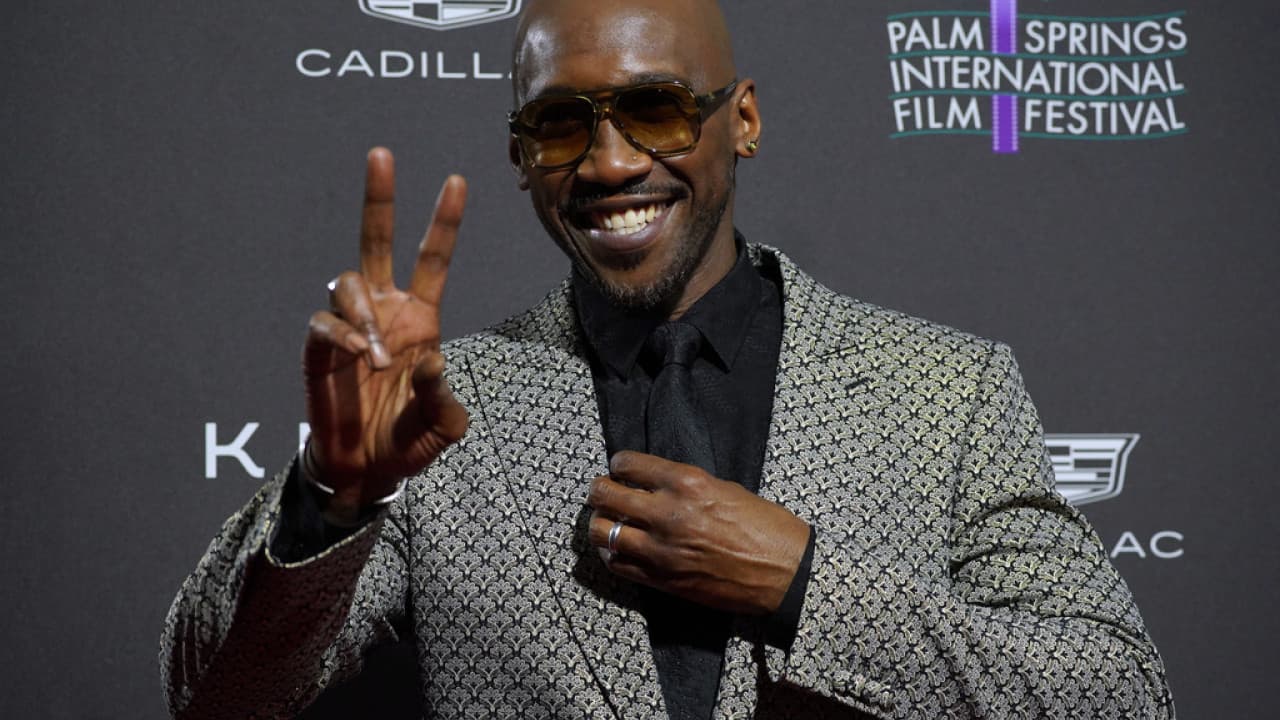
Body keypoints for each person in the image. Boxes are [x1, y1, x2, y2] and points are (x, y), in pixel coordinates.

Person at [160, 0, 1175, 718]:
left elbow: (1117, 696)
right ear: (520, 157)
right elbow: (216, 697)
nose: (608, 164)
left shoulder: (946, 390)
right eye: (560, 124)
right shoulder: (437, 412)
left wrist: (802, 584)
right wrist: (331, 495)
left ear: (742, 120)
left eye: (655, 110)